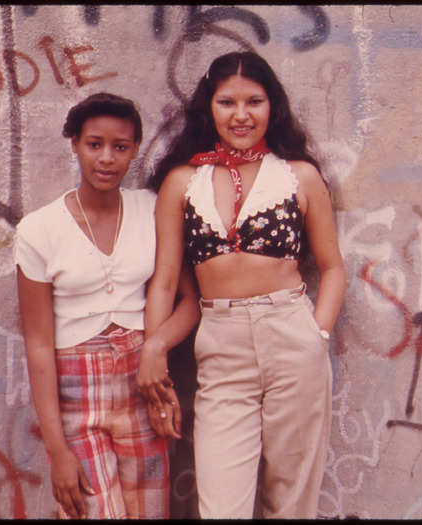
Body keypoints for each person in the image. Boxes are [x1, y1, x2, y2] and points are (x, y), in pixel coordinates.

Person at [141, 52, 346, 518]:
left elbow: (333, 268)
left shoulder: (299, 176)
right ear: (208, 108)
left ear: (272, 106)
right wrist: (154, 351)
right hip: (221, 345)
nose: (241, 115)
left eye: (254, 101)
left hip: (293, 336)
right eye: (227, 102)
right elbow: (166, 280)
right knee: (221, 506)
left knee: (290, 502)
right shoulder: (182, 181)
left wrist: (318, 335)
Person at [14, 92, 199, 519]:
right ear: (75, 143)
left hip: (144, 384)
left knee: (149, 512)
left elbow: (190, 301)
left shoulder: (152, 210)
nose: (107, 159)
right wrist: (57, 449)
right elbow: (39, 344)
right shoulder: (39, 230)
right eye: (94, 144)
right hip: (77, 392)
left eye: (120, 147)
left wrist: (157, 353)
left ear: (135, 149)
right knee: (93, 511)